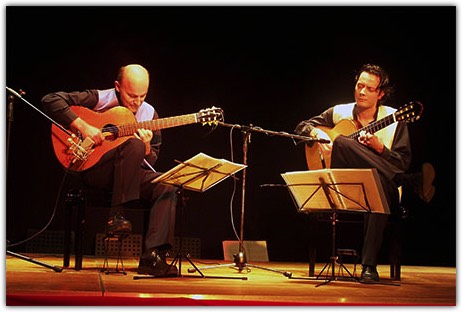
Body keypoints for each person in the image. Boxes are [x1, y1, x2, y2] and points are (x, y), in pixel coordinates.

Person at [294, 63, 435, 283]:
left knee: (376, 183)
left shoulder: (396, 119)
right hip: (343, 184)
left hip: (381, 187)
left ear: (381, 94)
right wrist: (316, 134)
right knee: (341, 141)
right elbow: (301, 126)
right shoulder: (339, 112)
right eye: (360, 85)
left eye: (369, 89)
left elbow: (403, 162)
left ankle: (368, 267)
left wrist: (380, 149)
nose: (362, 91)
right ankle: (408, 182)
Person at [42, 64, 178, 277]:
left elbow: (152, 159)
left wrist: (147, 147)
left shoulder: (150, 114)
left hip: (130, 174)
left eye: (143, 96)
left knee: (167, 185)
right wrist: (83, 127)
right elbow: (50, 100)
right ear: (118, 86)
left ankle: (153, 257)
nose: (137, 101)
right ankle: (116, 216)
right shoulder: (100, 99)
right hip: (95, 169)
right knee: (133, 145)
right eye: (132, 95)